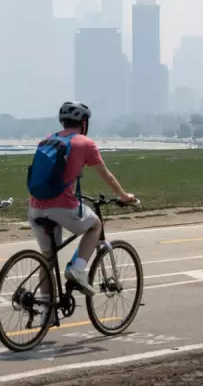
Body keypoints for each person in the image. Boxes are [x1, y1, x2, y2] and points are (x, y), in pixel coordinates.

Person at [29, 101, 136, 297]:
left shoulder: (47, 140)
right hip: (62, 207)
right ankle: (77, 269)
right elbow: (107, 176)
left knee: (48, 259)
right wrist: (124, 196)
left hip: (35, 207)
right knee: (95, 225)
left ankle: (45, 311)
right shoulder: (85, 143)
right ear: (84, 123)